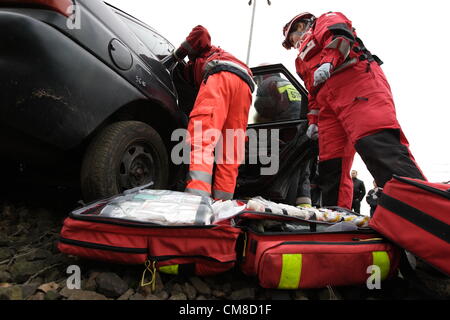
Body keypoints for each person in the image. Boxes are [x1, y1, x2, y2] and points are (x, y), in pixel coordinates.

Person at [281, 12, 426, 210]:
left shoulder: (325, 20)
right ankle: (337, 215)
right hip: (328, 106)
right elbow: (312, 92)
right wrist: (313, 122)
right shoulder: (300, 61)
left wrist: (328, 62)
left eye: (292, 39)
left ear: (298, 27)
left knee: (376, 145)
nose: (294, 44)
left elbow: (340, 36)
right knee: (330, 165)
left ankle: (423, 207)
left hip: (358, 85)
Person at [168, 25, 254, 200]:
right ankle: (222, 206)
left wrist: (176, 56)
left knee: (201, 139)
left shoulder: (196, 58)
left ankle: (196, 200)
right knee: (231, 149)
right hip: (245, 85)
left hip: (220, 76)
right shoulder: (215, 58)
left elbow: (201, 32)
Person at [253, 68, 312, 207]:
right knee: (300, 165)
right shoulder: (288, 83)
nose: (257, 84)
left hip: (284, 128)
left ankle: (269, 201)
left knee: (269, 162)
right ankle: (304, 203)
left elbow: (261, 107)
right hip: (302, 128)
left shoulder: (268, 83)